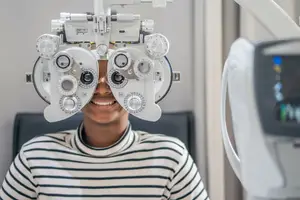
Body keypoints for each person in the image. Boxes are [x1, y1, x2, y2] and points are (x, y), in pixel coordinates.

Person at [0, 59, 210, 200]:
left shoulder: (171, 158)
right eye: (87, 78)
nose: (101, 89)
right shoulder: (34, 157)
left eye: (117, 77)